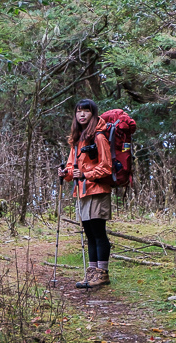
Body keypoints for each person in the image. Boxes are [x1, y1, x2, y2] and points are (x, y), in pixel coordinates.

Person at [59, 99, 113, 288]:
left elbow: (106, 167)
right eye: (78, 111)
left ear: (93, 114)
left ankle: (102, 273)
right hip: (82, 192)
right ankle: (92, 273)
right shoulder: (77, 139)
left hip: (97, 190)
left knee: (98, 232)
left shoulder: (98, 137)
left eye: (86, 111)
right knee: (89, 233)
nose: (81, 115)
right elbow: (70, 166)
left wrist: (85, 174)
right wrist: (65, 173)